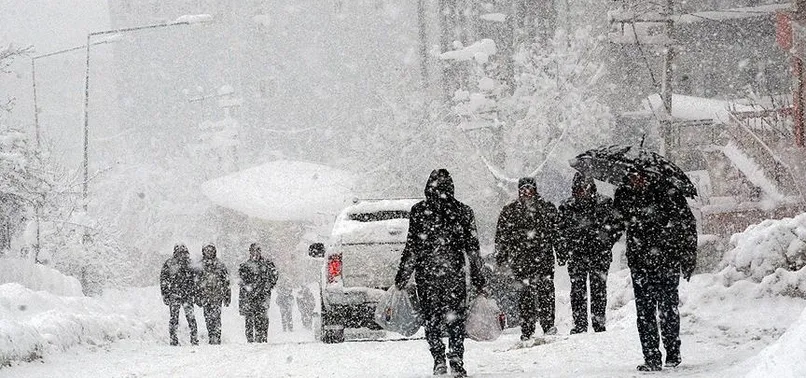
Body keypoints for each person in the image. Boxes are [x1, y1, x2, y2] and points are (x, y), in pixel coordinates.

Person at [394, 169, 486, 377]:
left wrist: (402, 276)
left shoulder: (419, 211)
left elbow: (412, 248)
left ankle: (438, 359)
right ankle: (456, 358)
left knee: (432, 318)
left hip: (427, 275)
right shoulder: (463, 211)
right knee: (455, 319)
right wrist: (479, 278)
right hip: (454, 274)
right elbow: (472, 249)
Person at [613, 169, 697, 371]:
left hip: (666, 260)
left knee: (667, 308)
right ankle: (651, 356)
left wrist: (687, 256)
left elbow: (686, 224)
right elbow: (615, 224)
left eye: (639, 176)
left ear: (648, 176)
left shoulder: (667, 192)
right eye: (632, 177)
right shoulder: (625, 195)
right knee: (644, 311)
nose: (636, 180)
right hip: (641, 262)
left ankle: (672, 352)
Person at [495, 177, 560, 341]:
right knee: (525, 296)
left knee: (546, 293)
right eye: (523, 189)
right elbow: (502, 237)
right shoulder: (510, 211)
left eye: (529, 188)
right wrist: (501, 257)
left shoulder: (546, 208)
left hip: (543, 259)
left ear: (535, 190)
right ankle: (527, 329)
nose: (526, 192)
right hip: (521, 260)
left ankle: (548, 324)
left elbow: (557, 233)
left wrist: (561, 252)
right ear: (519, 191)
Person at [558, 173, 620, 334]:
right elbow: (560, 231)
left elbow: (616, 227)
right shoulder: (567, 207)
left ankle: (598, 323)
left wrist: (606, 243)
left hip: (599, 254)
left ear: (591, 188)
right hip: (577, 255)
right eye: (578, 189)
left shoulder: (605, 204)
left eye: (584, 188)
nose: (582, 192)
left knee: (598, 289)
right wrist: (567, 247)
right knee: (578, 290)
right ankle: (580, 324)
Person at [238, 243, 278, 343]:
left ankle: (262, 337)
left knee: (262, 317)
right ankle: (250, 339)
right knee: (249, 318)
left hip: (263, 295)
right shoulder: (245, 266)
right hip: (249, 296)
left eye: (257, 251)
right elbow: (242, 281)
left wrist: (268, 285)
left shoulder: (267, 264)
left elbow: (274, 275)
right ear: (250, 252)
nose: (255, 254)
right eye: (253, 251)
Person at [159, 243, 198, 346]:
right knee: (176, 318)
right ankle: (175, 339)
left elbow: (195, 280)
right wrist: (165, 294)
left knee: (189, 318)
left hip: (184, 294)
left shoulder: (187, 264)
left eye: (182, 252)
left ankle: (193, 339)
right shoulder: (170, 263)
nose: (181, 254)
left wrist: (194, 292)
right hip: (176, 294)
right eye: (179, 252)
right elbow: (163, 280)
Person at [197, 243, 231, 345]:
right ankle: (211, 336)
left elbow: (226, 282)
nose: (209, 252)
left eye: (211, 250)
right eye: (207, 250)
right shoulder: (200, 266)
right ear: (203, 252)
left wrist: (227, 296)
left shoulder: (220, 265)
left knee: (216, 317)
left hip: (217, 296)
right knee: (208, 318)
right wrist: (197, 296)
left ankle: (217, 337)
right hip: (205, 296)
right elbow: (196, 283)